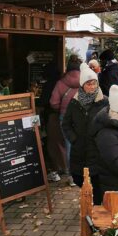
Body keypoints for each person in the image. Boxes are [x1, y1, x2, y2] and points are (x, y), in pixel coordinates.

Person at [62, 63, 108, 204]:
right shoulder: (75, 103)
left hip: (97, 149)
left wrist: (104, 139)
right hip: (80, 148)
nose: (92, 87)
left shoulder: (104, 101)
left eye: (94, 83)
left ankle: (96, 208)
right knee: (78, 177)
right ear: (82, 85)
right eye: (88, 84)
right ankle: (90, 201)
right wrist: (74, 139)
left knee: (97, 180)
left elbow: (111, 122)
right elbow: (66, 124)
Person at [50, 54, 81, 186]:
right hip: (81, 116)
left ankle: (72, 177)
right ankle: (83, 173)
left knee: (69, 145)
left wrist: (61, 108)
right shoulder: (85, 81)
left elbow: (53, 102)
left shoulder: (61, 83)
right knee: (82, 143)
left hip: (65, 117)